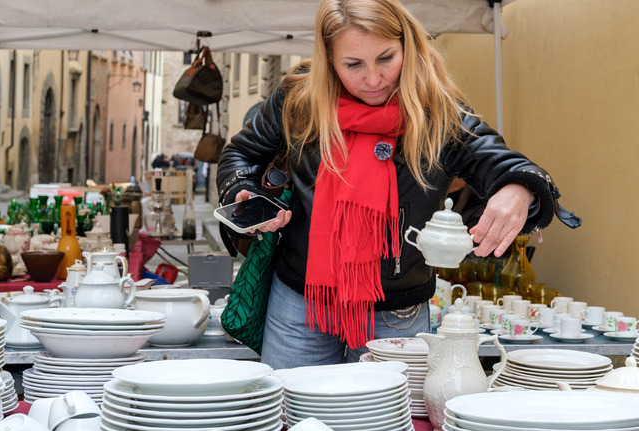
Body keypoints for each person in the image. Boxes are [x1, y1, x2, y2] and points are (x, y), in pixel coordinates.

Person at [217, 0, 580, 370]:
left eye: (386, 58)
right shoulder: (299, 99)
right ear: (329, 60)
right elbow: (241, 154)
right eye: (353, 65)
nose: (373, 79)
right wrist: (243, 194)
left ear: (407, 46)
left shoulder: (438, 111)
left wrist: (519, 187)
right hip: (300, 300)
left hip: (397, 312)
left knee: (383, 424)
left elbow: (500, 160)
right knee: (297, 419)